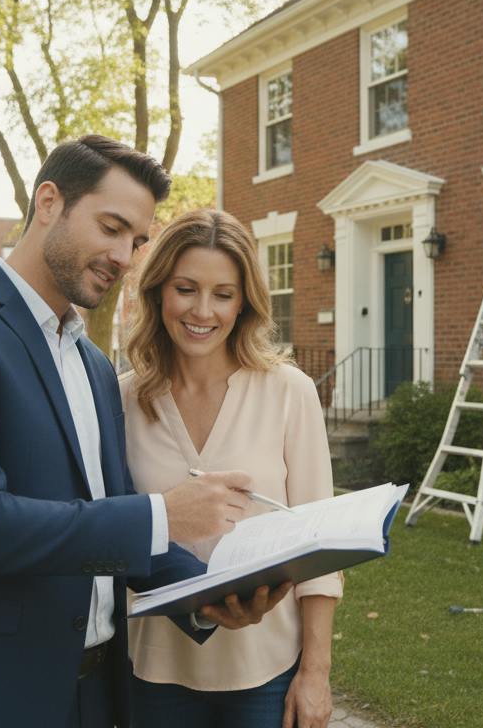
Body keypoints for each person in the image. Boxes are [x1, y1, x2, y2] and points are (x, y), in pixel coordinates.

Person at [0, 136, 291, 728]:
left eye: (136, 240)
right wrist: (165, 514)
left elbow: (105, 518)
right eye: (111, 227)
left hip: (91, 697)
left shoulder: (91, 363)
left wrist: (214, 594)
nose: (125, 256)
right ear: (49, 202)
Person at [119, 209, 342, 728]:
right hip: (153, 670)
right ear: (158, 292)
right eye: (186, 288)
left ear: (244, 302)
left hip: (265, 674)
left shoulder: (290, 393)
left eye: (223, 293)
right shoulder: (121, 400)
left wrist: (316, 673)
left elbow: (321, 550)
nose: (203, 310)